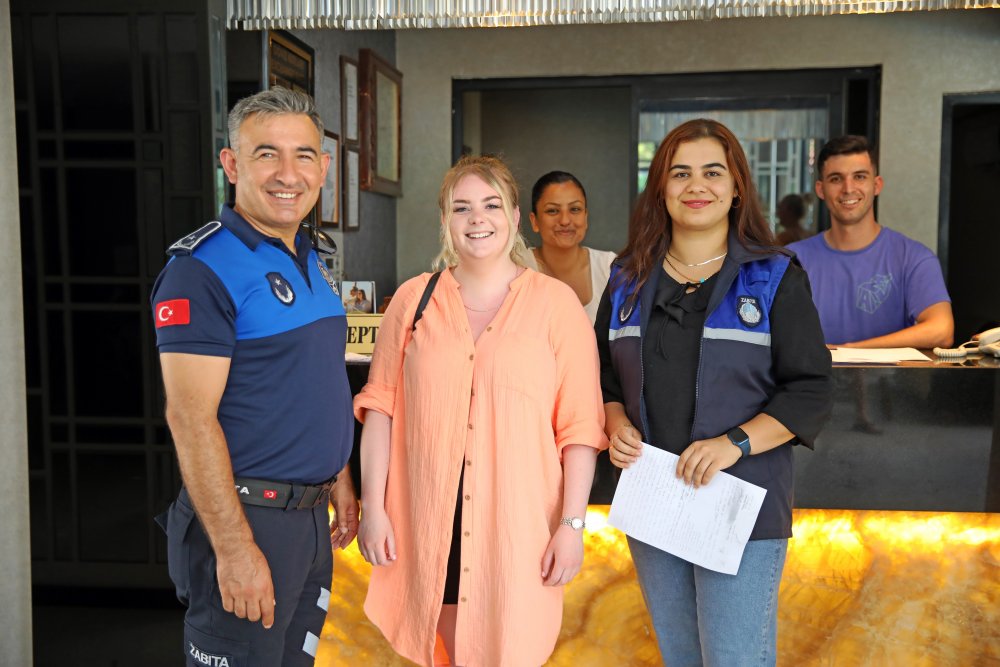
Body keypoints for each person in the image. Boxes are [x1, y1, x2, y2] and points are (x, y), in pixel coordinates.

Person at [353, 155, 608, 667]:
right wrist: (373, 509)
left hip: (516, 525)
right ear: (445, 219)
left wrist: (572, 525)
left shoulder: (556, 305)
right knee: (445, 651)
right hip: (429, 519)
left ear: (513, 216)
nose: (477, 219)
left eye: (491, 205)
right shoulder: (413, 301)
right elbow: (380, 409)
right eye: (461, 207)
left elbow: (580, 428)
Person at [598, 119, 831, 666]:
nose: (696, 186)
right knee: (681, 656)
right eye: (680, 173)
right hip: (655, 497)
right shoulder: (627, 277)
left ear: (737, 187)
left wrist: (735, 443)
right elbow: (604, 375)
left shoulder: (774, 276)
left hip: (740, 504)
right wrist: (615, 422)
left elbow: (810, 388)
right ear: (661, 187)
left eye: (712, 172)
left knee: (733, 658)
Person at [151, 87, 359, 667]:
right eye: (267, 154)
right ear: (232, 163)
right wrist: (235, 548)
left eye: (303, 155)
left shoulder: (312, 256)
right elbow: (189, 418)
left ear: (323, 167)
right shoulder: (201, 270)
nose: (288, 174)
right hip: (248, 521)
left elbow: (317, 381)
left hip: (309, 521)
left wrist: (339, 477)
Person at [787, 135, 953, 348]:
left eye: (859, 177)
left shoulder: (913, 258)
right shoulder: (792, 261)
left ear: (876, 185)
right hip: (811, 372)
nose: (848, 188)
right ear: (821, 189)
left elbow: (941, 330)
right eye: (836, 179)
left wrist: (849, 352)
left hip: (881, 373)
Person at [524, 171, 617, 323]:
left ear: (585, 217)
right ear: (534, 221)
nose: (565, 220)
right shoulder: (516, 267)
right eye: (552, 210)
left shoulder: (610, 268)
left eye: (575, 209)